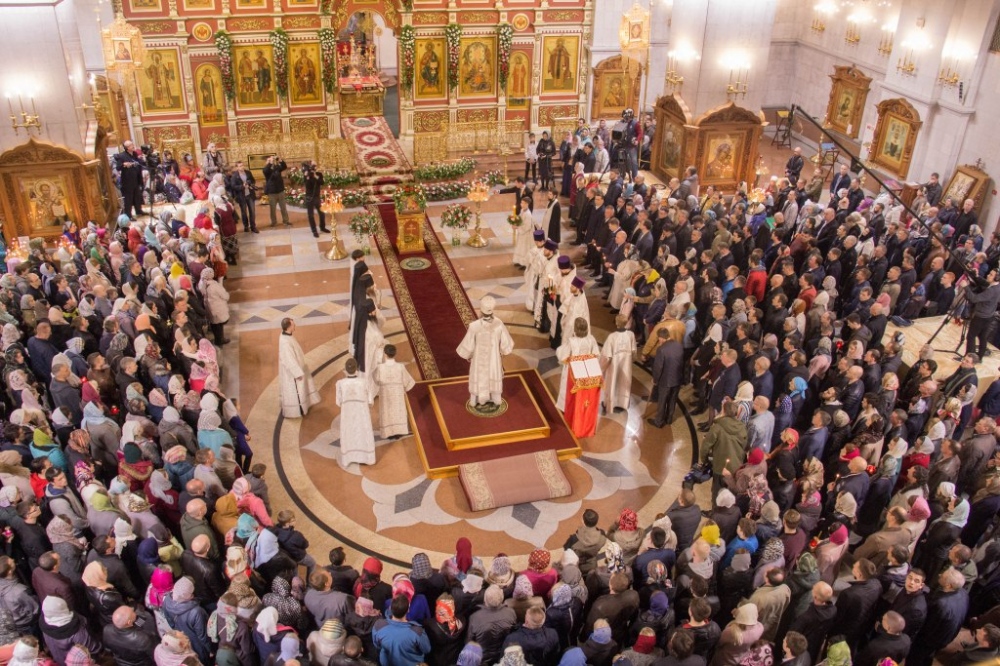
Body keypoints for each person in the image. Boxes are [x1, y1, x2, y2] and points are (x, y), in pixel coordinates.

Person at [456, 296, 514, 407]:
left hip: (478, 360)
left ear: (481, 311)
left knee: (478, 377)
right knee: (493, 374)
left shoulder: (474, 326)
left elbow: (468, 345)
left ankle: (474, 400)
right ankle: (496, 399)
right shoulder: (499, 324)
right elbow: (506, 343)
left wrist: (469, 355)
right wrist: (501, 352)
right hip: (494, 359)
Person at [336, 357, 376, 468]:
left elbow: (338, 402)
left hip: (347, 415)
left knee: (349, 433)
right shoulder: (364, 382)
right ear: (357, 369)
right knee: (363, 432)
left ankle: (349, 458)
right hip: (362, 415)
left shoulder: (340, 384)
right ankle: (366, 457)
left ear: (345, 369)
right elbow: (370, 401)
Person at [277, 317, 320, 418]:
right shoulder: (285, 342)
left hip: (297, 367)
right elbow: (289, 359)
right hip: (293, 374)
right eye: (293, 324)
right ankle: (298, 410)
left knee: (301, 390)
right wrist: (297, 373)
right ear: (288, 327)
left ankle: (302, 407)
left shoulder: (286, 335)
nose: (295, 325)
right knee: (296, 391)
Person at [372, 345, 415, 441]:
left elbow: (376, 379)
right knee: (397, 411)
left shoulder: (380, 368)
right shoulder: (400, 367)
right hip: (397, 394)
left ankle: (388, 433)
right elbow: (408, 382)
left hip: (385, 394)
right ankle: (398, 432)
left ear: (385, 354)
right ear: (395, 354)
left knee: (387, 412)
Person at [601, 314, 636, 414]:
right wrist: (632, 360)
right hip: (626, 365)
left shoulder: (612, 337)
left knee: (612, 383)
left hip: (614, 366)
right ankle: (622, 404)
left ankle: (610, 404)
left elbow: (606, 356)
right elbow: (634, 351)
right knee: (624, 383)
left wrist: (602, 367)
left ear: (616, 323)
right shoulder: (631, 335)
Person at [229, 161, 258, 233]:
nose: (242, 167)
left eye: (242, 165)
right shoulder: (234, 176)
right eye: (240, 166)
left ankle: (253, 226)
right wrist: (242, 186)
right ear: (237, 167)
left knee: (252, 211)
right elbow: (233, 186)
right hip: (242, 196)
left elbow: (253, 180)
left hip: (250, 195)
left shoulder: (248, 172)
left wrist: (250, 184)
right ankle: (246, 226)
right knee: (244, 212)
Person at [263, 155, 290, 228]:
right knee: (273, 208)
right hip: (272, 192)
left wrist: (280, 160)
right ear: (266, 162)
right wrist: (270, 163)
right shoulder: (265, 169)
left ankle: (286, 221)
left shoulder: (276, 167)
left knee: (283, 207)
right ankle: (274, 222)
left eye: (271, 159)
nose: (271, 161)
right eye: (269, 160)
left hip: (280, 190)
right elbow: (266, 171)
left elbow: (284, 167)